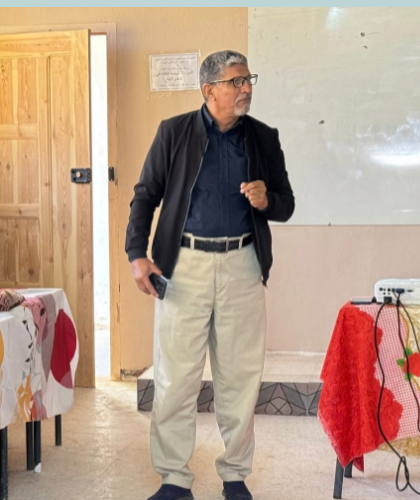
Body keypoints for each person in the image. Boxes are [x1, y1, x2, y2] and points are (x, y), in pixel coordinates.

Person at [125, 50, 295, 500]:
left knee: (240, 379)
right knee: (175, 378)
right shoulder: (174, 132)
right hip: (185, 267)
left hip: (242, 265)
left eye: (249, 79)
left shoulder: (263, 138)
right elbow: (145, 195)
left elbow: (286, 203)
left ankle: (235, 476)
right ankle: (174, 479)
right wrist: (136, 254)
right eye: (236, 81)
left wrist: (267, 201)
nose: (246, 88)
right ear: (209, 90)